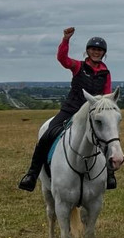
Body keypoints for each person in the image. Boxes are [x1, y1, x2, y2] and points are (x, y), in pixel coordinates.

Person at [18, 28, 116, 191]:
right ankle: (32, 174)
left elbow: (106, 94)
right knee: (48, 135)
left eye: (99, 50)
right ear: (87, 51)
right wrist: (65, 40)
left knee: (109, 139)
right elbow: (62, 59)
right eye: (93, 49)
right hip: (71, 109)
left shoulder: (106, 73)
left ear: (103, 53)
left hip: (92, 114)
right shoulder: (78, 66)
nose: (96, 52)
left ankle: (110, 174)